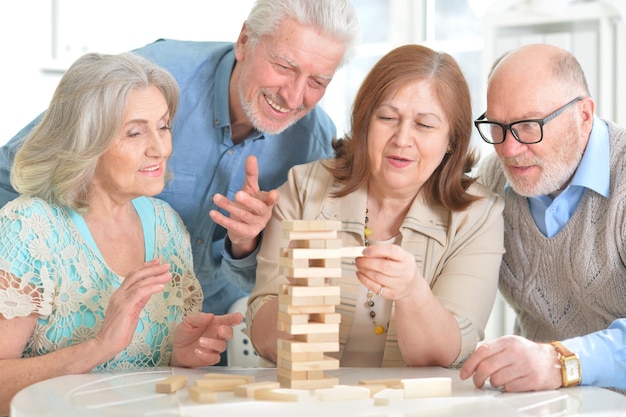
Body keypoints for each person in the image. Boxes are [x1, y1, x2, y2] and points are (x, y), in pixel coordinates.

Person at [0, 0, 360, 319]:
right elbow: (15, 171)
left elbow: (278, 282)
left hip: (205, 337)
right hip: (82, 321)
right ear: (245, 41)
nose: (295, 96)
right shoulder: (151, 83)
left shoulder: (314, 147)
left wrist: (245, 244)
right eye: (284, 66)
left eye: (318, 81)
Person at [0, 52, 243, 415]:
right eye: (134, 132)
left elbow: (142, 378)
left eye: (163, 126)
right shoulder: (29, 228)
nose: (161, 148)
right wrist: (99, 344)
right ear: (87, 141)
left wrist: (178, 354)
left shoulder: (166, 225)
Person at [239, 44, 505, 367]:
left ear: (452, 139)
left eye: (425, 125)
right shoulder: (303, 188)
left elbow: (447, 354)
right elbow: (260, 333)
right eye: (388, 117)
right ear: (365, 122)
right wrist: (297, 305)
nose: (402, 139)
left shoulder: (479, 215)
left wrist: (412, 293)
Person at [460, 43, 626, 392]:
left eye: (528, 125)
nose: (509, 149)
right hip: (543, 403)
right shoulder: (489, 184)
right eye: (497, 127)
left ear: (583, 115)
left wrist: (561, 361)